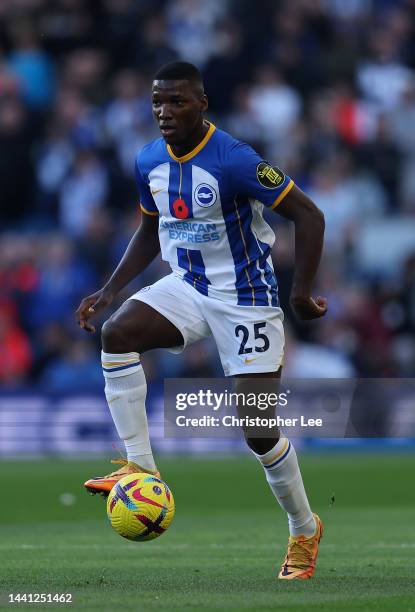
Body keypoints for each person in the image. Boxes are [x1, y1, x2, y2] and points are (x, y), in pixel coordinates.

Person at [76, 61, 327, 580]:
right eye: (157, 103)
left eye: (177, 102)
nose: (165, 113)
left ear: (202, 104)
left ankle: (304, 528)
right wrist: (110, 288)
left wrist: (300, 291)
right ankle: (139, 467)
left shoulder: (234, 159)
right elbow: (151, 229)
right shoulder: (147, 160)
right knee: (117, 333)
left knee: (258, 432)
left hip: (247, 298)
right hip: (187, 285)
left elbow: (309, 214)